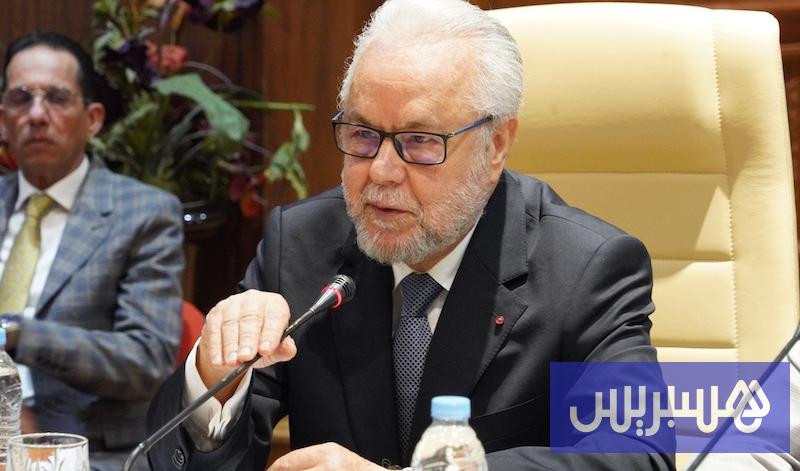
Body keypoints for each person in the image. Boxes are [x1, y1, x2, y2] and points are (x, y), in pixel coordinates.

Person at [147, 0, 673, 469]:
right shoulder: (301, 244)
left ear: (496, 144)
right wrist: (215, 378)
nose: (380, 171)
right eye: (362, 134)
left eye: (420, 141)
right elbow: (184, 460)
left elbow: (637, 454)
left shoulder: (586, 268)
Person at [0, 31, 183, 470]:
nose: (36, 115)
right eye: (21, 98)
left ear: (93, 119)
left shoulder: (144, 213)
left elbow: (146, 359)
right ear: (3, 119)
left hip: (87, 450)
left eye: (57, 98)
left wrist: (13, 334)